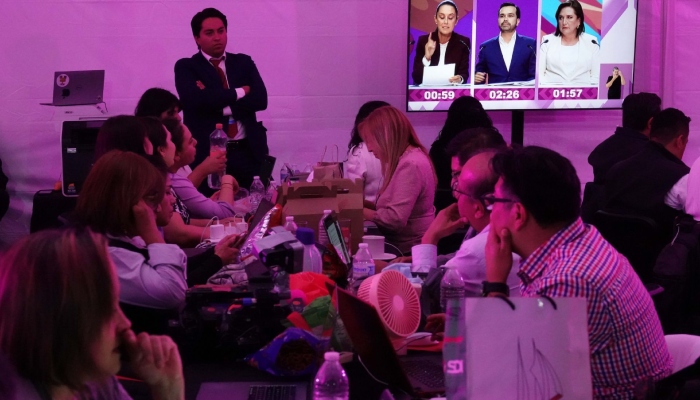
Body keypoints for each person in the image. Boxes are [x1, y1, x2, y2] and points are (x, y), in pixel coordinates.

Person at [482, 146, 671, 397]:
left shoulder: (567, 280)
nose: (489, 211)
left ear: (518, 214)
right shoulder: (582, 240)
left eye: (493, 201)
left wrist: (495, 283)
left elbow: (506, 379)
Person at [0, 227, 185, 399]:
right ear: (60, 318)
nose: (125, 323)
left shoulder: (93, 380)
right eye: (108, 309)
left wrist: (167, 388)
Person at [75, 151, 188, 310]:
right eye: (151, 199)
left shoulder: (117, 236)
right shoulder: (106, 254)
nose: (158, 208)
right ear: (130, 201)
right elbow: (173, 293)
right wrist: (152, 233)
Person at [175, 7, 268, 190]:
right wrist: (240, 92)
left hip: (247, 151)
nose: (217, 37)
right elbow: (195, 100)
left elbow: (260, 99)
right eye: (209, 33)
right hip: (209, 156)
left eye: (221, 31)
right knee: (214, 210)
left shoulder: (243, 62)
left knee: (257, 206)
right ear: (197, 38)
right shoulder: (187, 66)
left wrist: (221, 105)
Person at [423, 151, 520, 296]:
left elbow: (428, 291)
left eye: (459, 190)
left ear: (480, 206)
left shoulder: (479, 247)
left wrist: (429, 238)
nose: (455, 196)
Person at [360, 106, 436, 254]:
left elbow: (394, 220)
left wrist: (360, 211)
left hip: (406, 252)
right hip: (405, 247)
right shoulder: (408, 159)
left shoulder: (410, 165)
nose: (368, 148)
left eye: (370, 141)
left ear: (385, 136)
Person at [604, 108, 691, 235]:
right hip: (661, 253)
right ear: (680, 141)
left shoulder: (616, 170)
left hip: (612, 252)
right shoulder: (682, 179)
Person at [581, 92, 661, 221]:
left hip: (601, 231)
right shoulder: (653, 156)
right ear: (651, 123)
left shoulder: (601, 151)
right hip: (641, 234)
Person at [135, 88, 226, 188]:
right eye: (171, 113)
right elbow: (174, 195)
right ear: (153, 115)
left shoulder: (173, 144)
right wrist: (203, 170)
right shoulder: (148, 155)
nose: (178, 117)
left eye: (177, 112)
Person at [163, 119, 242, 221]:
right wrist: (227, 180)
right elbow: (226, 214)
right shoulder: (172, 179)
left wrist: (207, 204)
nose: (196, 142)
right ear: (176, 153)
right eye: (190, 141)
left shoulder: (178, 171)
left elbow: (185, 219)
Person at [429, 96, 494, 212]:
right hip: (487, 209)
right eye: (455, 174)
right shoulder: (494, 147)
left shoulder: (439, 149)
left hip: (446, 210)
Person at [538, 0, 599, 86]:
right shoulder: (547, 41)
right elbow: (539, 76)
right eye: (561, 18)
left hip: (583, 96)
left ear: (578, 21)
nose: (564, 22)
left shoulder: (591, 42)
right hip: (551, 94)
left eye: (569, 17)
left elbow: (596, 77)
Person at [474, 3, 536, 84]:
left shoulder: (530, 44)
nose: (505, 19)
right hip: (495, 95)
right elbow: (480, 76)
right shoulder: (486, 47)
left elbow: (534, 76)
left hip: (523, 95)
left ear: (517, 21)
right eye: (502, 16)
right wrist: (477, 78)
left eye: (510, 16)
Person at [412, 0, 471, 85]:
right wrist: (427, 57)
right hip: (426, 94)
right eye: (442, 17)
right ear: (436, 19)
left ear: (456, 20)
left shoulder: (463, 43)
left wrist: (460, 79)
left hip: (451, 94)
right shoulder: (424, 41)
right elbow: (416, 78)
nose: (446, 22)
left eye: (450, 18)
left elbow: (464, 74)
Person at [345, 100, 388, 203]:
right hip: (380, 211)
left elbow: (354, 194)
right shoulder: (404, 148)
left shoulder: (359, 152)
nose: (370, 149)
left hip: (373, 214)